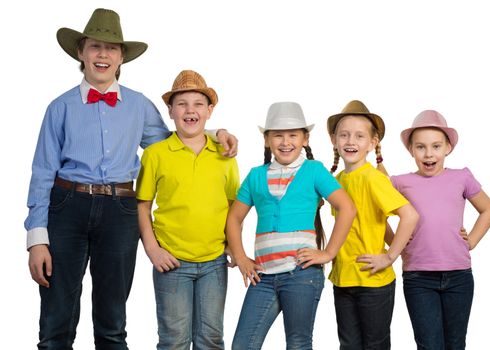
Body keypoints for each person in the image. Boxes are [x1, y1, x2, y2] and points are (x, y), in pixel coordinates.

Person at [24, 9, 237, 349]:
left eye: (111, 48)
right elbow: (42, 171)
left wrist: (214, 132)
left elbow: (174, 142)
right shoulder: (60, 107)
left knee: (112, 320)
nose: (103, 55)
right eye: (95, 47)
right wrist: (36, 238)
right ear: (81, 52)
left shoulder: (138, 105)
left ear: (122, 57)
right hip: (67, 208)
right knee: (56, 318)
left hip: (120, 210)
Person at [226, 102, 356, 350]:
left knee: (298, 343)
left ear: (305, 138)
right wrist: (241, 257)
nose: (286, 142)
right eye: (278, 136)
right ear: (267, 140)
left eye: (293, 135)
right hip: (263, 276)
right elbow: (234, 218)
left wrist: (328, 253)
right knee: (243, 344)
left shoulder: (314, 171)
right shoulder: (255, 175)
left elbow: (347, 208)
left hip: (301, 274)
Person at [136, 69, 240, 350]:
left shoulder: (224, 155)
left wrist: (232, 244)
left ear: (209, 111)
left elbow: (234, 207)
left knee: (211, 339)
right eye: (181, 104)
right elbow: (143, 204)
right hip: (172, 261)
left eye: (197, 104)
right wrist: (152, 248)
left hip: (214, 261)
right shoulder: (156, 154)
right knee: (174, 340)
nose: (189, 110)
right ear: (170, 111)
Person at [390, 110, 490, 350]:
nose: (429, 154)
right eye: (420, 147)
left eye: (436, 146)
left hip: (459, 275)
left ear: (448, 147)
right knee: (429, 344)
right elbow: (375, 213)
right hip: (418, 277)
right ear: (411, 150)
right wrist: (396, 243)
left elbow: (488, 210)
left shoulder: (462, 177)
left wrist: (472, 241)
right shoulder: (399, 182)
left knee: (456, 344)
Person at [327, 100, 419, 350]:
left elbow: (409, 215)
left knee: (375, 345)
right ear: (334, 140)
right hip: (343, 278)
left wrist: (390, 257)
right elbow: (375, 220)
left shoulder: (373, 178)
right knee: (349, 345)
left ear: (372, 142)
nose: (350, 141)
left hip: (373, 281)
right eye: (344, 135)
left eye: (359, 136)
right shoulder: (337, 180)